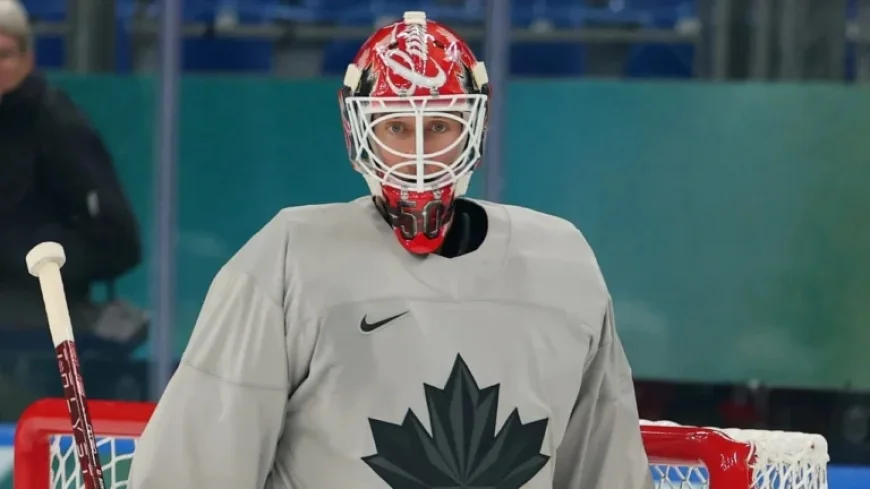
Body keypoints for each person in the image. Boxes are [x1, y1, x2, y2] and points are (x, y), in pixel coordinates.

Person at [129, 11, 652, 489]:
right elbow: (197, 464)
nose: (419, 153)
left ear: (476, 124)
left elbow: (604, 466)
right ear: (359, 129)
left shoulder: (564, 267)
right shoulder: (287, 261)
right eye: (397, 127)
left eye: (440, 126)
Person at [0, 0, 142, 418]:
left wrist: (25, 255)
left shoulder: (58, 124)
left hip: (36, 323)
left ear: (28, 56)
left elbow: (119, 243)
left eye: (3, 55)